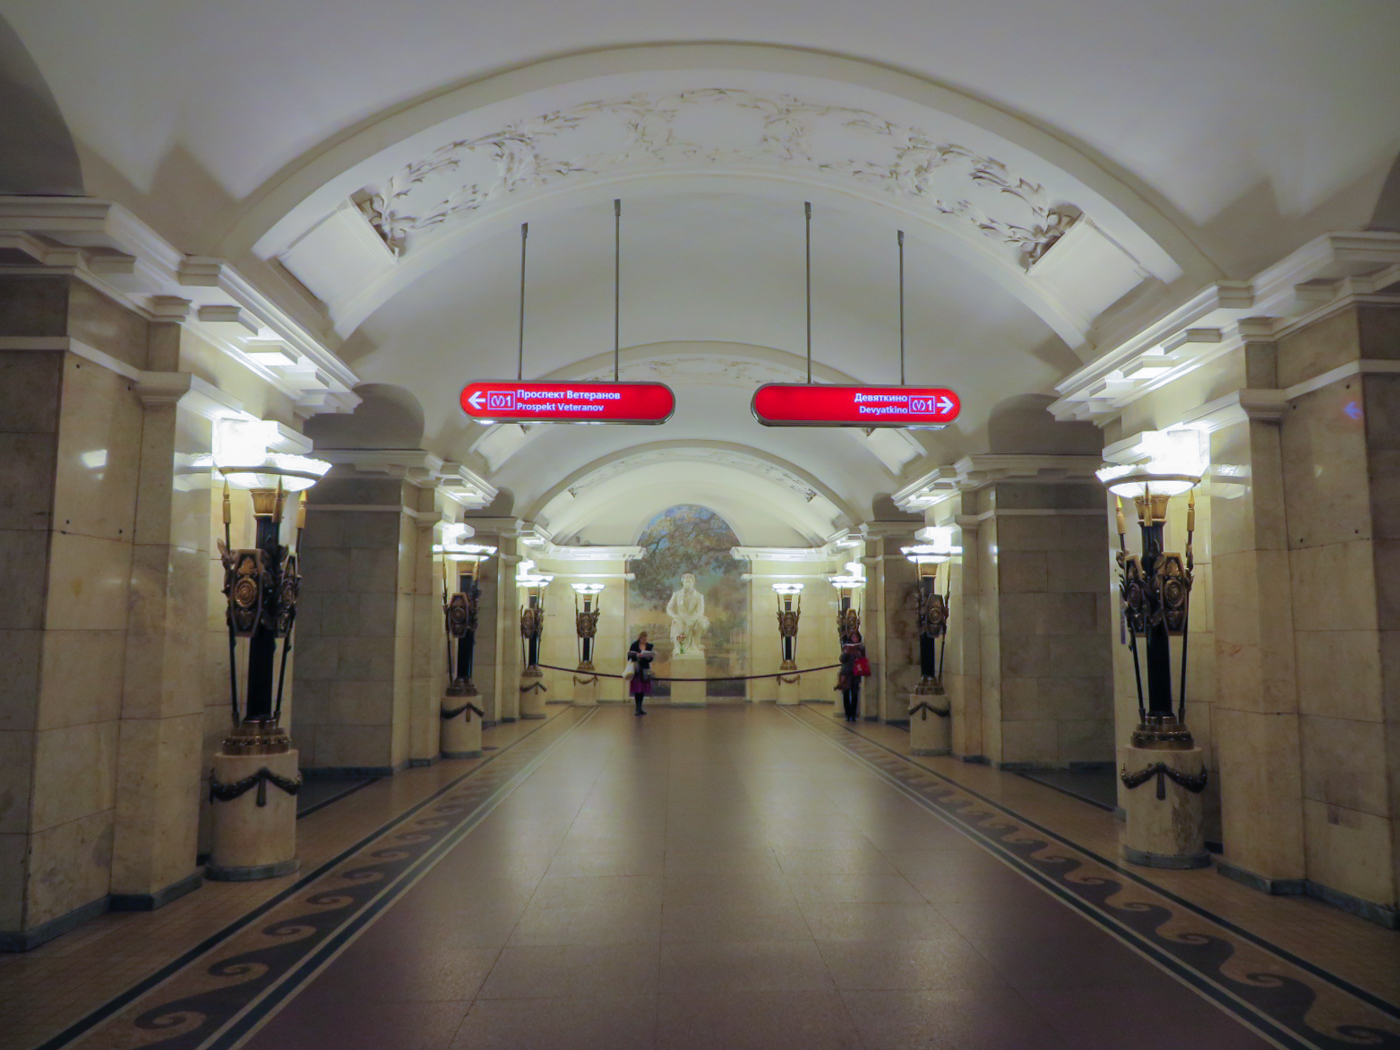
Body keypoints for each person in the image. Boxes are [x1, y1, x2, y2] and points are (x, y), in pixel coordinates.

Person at [838, 628, 866, 722]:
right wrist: (846, 653)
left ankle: (853, 714)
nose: (855, 639)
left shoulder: (861, 648)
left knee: (854, 694)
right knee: (846, 694)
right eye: (853, 637)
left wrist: (858, 653)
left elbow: (863, 659)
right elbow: (841, 659)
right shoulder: (847, 647)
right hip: (846, 673)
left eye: (856, 637)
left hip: (856, 673)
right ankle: (848, 714)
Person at [628, 631, 655, 715]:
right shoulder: (634, 645)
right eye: (643, 638)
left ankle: (640, 708)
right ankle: (637, 707)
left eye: (646, 638)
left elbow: (650, 659)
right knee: (637, 689)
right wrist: (637, 656)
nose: (644, 640)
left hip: (645, 668)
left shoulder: (649, 646)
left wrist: (647, 657)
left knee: (642, 689)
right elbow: (629, 656)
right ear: (640, 638)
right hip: (637, 669)